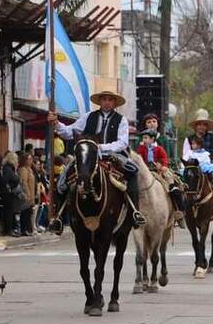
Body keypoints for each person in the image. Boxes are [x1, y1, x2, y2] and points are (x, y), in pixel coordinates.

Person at [47, 90, 146, 235]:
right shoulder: (88, 116)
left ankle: (134, 212)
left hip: (112, 155)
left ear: (114, 103)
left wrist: (101, 148)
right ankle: (59, 217)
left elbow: (122, 143)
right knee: (64, 177)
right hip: (87, 155)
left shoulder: (121, 120)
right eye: (104, 99)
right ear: (100, 101)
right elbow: (69, 132)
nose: (106, 102)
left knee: (133, 171)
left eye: (110, 100)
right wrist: (56, 124)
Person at [138, 128, 186, 226]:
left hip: (159, 170)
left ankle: (179, 212)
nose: (144, 140)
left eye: (146, 138)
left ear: (152, 139)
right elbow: (139, 159)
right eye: (143, 138)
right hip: (146, 171)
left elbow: (164, 158)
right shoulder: (141, 149)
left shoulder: (159, 148)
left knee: (172, 186)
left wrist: (163, 166)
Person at [0, 151, 22, 237]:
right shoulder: (8, 169)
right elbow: (11, 179)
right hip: (8, 193)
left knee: (9, 212)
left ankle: (9, 229)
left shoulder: (7, 168)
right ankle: (8, 229)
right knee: (9, 212)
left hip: (7, 193)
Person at [18, 153, 36, 236]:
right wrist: (27, 193)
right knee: (25, 212)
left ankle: (29, 229)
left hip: (31, 193)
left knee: (29, 212)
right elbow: (24, 182)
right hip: (26, 194)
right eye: (29, 159)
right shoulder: (23, 169)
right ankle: (24, 229)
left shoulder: (29, 169)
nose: (31, 161)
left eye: (31, 159)